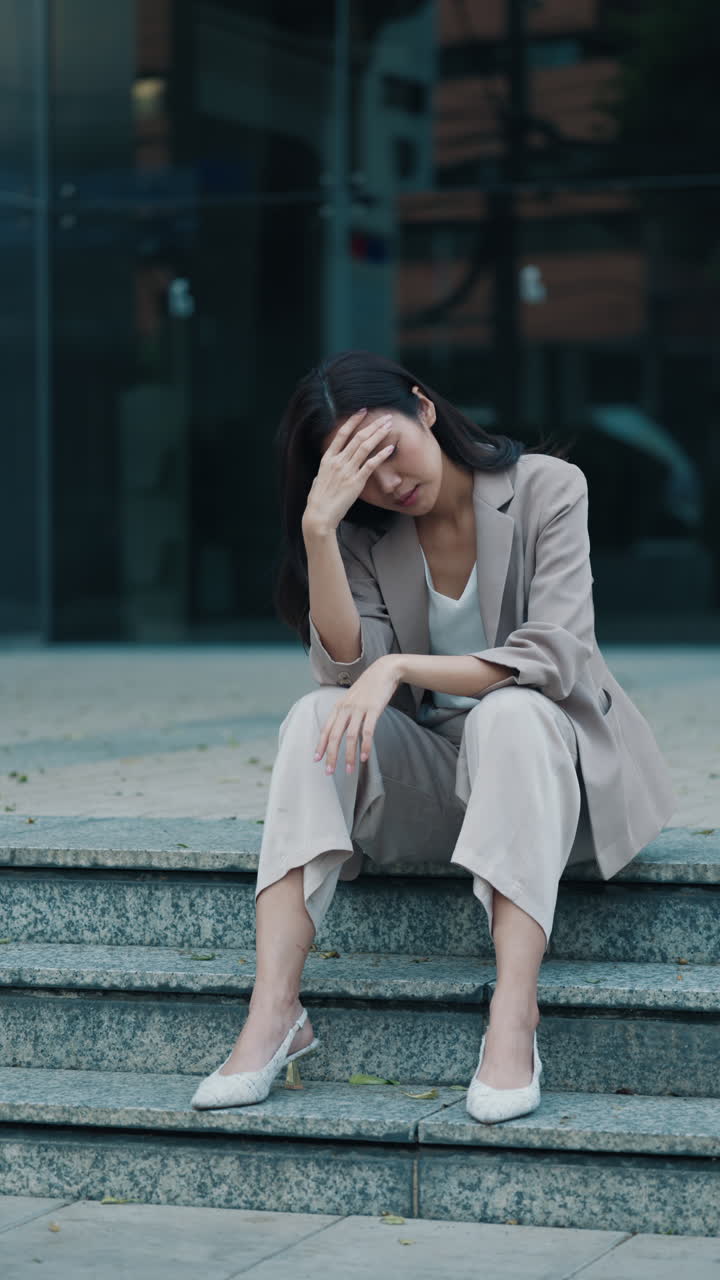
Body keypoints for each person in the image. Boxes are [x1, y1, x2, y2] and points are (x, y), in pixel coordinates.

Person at [191, 350, 675, 1123]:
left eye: (388, 448)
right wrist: (321, 529)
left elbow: (553, 656)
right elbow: (348, 669)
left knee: (510, 712)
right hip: (447, 787)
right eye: (359, 472)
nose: (386, 481)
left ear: (423, 407)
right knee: (312, 716)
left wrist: (404, 668)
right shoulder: (363, 532)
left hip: (556, 781)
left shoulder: (549, 487)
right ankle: (275, 1013)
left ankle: (514, 1019)